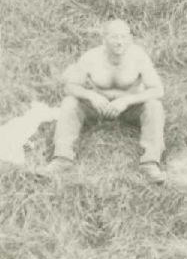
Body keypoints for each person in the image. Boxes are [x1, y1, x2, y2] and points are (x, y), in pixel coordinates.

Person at [41, 19, 168, 184]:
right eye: (115, 37)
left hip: (129, 109)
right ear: (104, 39)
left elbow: (158, 90)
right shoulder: (91, 57)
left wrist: (127, 100)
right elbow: (70, 86)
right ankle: (62, 158)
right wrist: (91, 96)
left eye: (124, 37)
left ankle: (150, 163)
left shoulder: (138, 57)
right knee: (69, 103)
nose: (120, 42)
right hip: (99, 108)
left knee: (154, 106)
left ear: (130, 39)